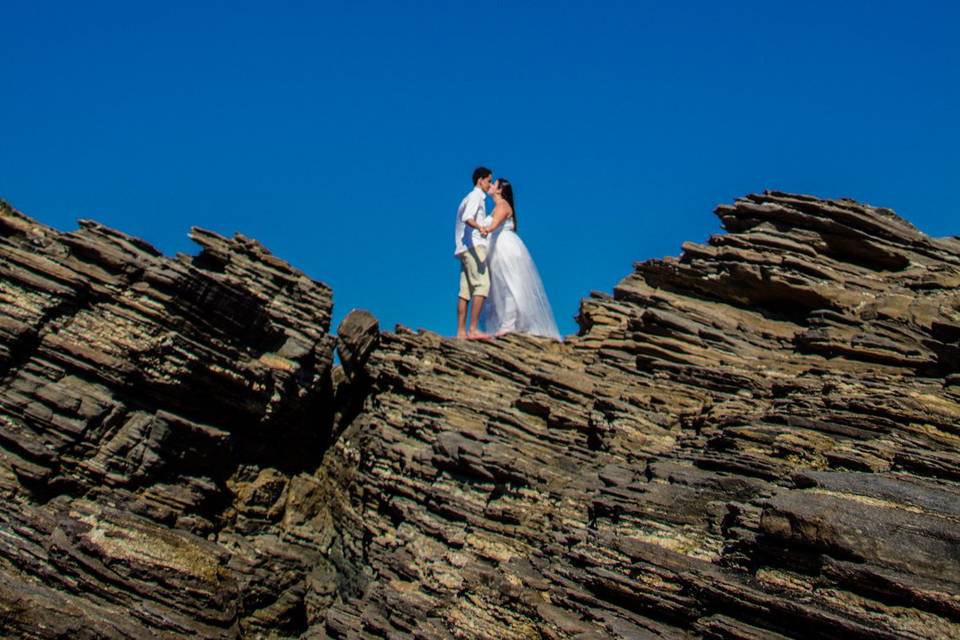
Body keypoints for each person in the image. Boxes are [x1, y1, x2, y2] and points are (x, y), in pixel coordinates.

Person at [481, 178, 561, 339]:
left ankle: (509, 324)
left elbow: (495, 223)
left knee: (509, 285)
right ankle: (506, 322)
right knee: (500, 287)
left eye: (494, 184)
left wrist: (485, 229)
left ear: (500, 190)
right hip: (497, 248)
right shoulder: (497, 206)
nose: (490, 185)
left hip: (505, 248)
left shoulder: (503, 206)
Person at [454, 166, 493, 339]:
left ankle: (461, 331)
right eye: (489, 181)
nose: (489, 185)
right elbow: (467, 217)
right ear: (480, 180)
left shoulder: (467, 197)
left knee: (465, 291)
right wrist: (480, 227)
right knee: (482, 284)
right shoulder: (476, 196)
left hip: (463, 248)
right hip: (473, 245)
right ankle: (473, 329)